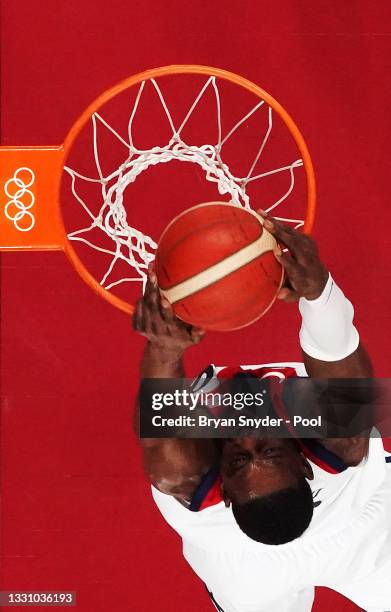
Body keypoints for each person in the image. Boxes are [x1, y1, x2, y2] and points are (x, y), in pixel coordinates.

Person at [133, 213, 391, 612]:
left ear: (228, 492)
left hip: (342, 536)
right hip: (267, 563)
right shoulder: (341, 443)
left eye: (238, 459)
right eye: (268, 451)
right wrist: (318, 292)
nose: (248, 436)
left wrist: (163, 349)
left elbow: (160, 408)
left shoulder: (185, 477)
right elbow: (340, 357)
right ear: (305, 465)